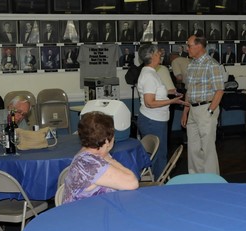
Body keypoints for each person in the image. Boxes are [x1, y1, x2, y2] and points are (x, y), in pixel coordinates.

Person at [62, 111, 139, 203]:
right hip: (84, 210)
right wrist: (110, 159)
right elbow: (133, 183)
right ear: (107, 141)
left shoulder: (86, 154)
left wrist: (106, 155)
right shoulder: (89, 163)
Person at [136, 44, 186, 179]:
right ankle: (157, 184)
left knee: (160, 155)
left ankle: (159, 182)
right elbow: (150, 102)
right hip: (153, 121)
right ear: (152, 56)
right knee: (157, 157)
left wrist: (171, 92)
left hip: (156, 120)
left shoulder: (152, 72)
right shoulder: (149, 76)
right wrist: (172, 101)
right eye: (158, 53)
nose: (161, 55)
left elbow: (154, 93)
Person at [181, 35, 226, 174]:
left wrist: (210, 111)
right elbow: (189, 91)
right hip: (192, 110)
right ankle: (196, 178)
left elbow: (219, 91)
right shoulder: (191, 65)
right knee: (193, 148)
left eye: (189, 46)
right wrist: (185, 112)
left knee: (207, 148)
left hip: (206, 109)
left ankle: (212, 179)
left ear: (199, 46)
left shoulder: (212, 64)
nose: (187, 49)